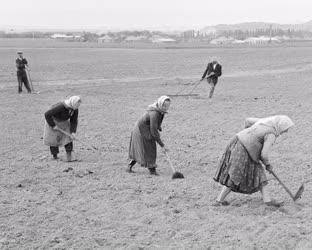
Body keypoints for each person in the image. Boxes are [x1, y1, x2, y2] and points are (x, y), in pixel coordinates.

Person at [213, 115, 294, 207]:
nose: (286, 131)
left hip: (236, 142)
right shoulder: (271, 134)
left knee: (258, 173)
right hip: (243, 151)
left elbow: (247, 121)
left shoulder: (264, 122)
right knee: (235, 176)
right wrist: (268, 165)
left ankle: (268, 201)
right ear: (280, 126)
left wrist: (247, 135)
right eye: (286, 128)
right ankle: (218, 201)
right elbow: (264, 154)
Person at [127, 95, 171, 175]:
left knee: (142, 149)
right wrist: (162, 145)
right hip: (140, 130)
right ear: (160, 103)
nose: (165, 108)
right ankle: (152, 170)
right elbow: (153, 131)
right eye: (164, 106)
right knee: (150, 148)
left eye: (167, 106)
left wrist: (159, 127)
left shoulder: (159, 110)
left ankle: (129, 166)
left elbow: (154, 123)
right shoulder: (155, 113)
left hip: (144, 129)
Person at [43, 96, 82, 161]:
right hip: (53, 121)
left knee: (68, 138)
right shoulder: (61, 106)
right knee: (53, 139)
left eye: (78, 106)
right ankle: (54, 155)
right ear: (72, 103)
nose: (77, 107)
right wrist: (53, 125)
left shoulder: (75, 108)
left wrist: (73, 132)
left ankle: (69, 156)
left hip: (64, 123)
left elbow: (74, 121)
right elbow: (47, 114)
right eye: (76, 105)